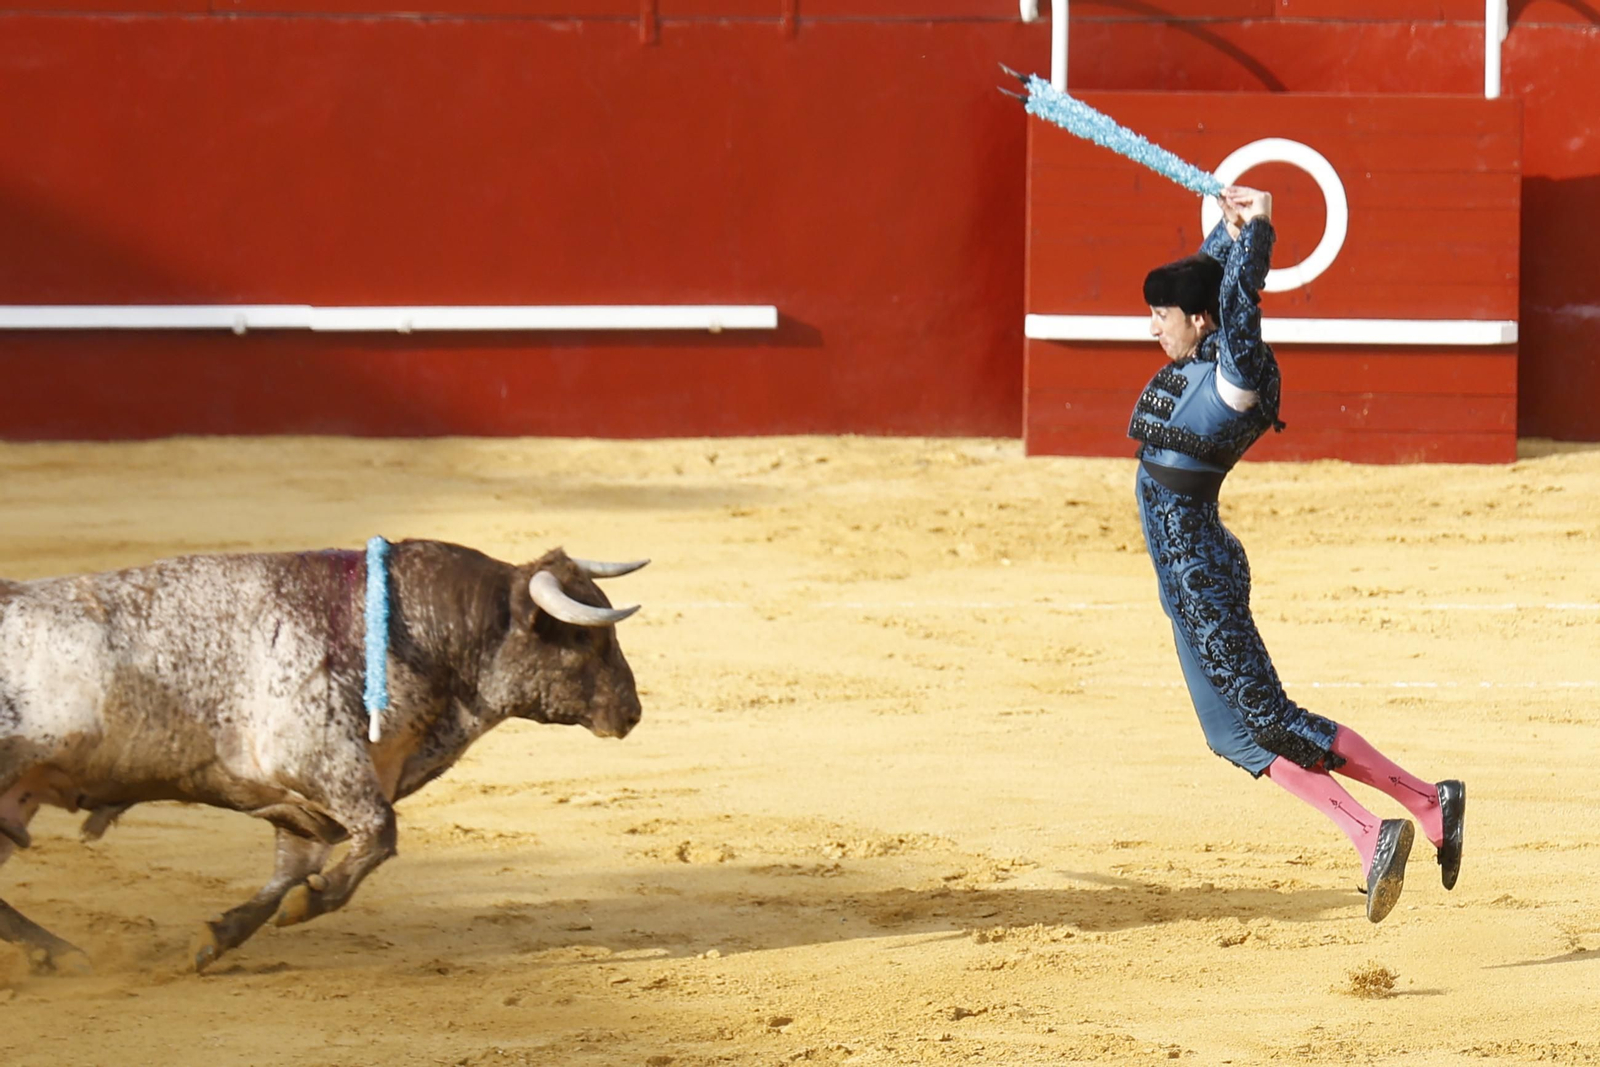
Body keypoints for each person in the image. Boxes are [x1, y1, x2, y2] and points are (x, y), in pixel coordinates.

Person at [1130, 185, 1465, 922]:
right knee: (1230, 735)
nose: (1153, 326)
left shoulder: (1235, 375)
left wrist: (1263, 233)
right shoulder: (1203, 341)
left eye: (1163, 315)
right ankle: (1386, 825)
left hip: (1201, 574)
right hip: (1177, 575)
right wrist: (1227, 231)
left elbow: (1238, 302)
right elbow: (1213, 285)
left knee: (1271, 719)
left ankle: (1417, 805)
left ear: (1199, 321)